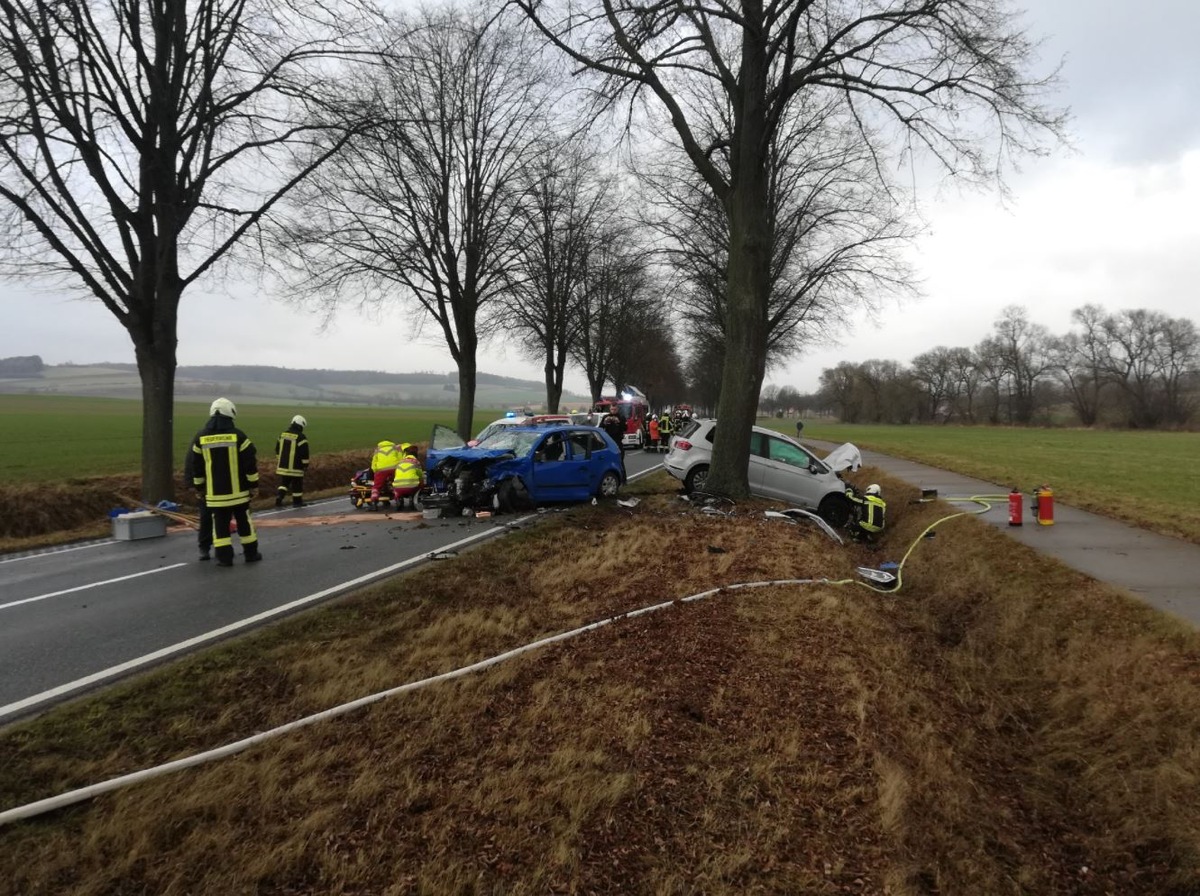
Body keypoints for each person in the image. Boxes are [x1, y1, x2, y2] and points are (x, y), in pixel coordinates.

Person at [186, 397, 262, 566]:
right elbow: (250, 464)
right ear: (231, 413)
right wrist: (253, 485)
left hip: (215, 495)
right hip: (239, 494)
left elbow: (196, 467)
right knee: (244, 523)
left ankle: (224, 558)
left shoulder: (201, 438)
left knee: (219, 527)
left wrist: (199, 488)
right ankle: (251, 554)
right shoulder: (239, 436)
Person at [275, 414, 310, 508]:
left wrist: (279, 460)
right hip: (296, 467)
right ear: (300, 425)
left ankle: (279, 496)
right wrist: (305, 465)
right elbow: (304, 453)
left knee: (284, 483)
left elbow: (277, 449)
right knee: (297, 485)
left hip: (283, 466)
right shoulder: (301, 437)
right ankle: (297, 502)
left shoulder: (282, 435)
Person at [369, 439, 401, 508]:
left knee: (376, 487)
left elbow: (374, 462)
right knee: (396, 484)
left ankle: (374, 502)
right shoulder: (394, 448)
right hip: (394, 468)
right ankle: (398, 499)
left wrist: (375, 472)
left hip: (381, 470)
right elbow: (400, 458)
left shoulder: (378, 450)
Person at [391, 443, 424, 510]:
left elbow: (395, 475)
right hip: (411, 487)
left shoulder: (400, 462)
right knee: (420, 483)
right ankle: (413, 498)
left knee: (395, 487)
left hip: (398, 487)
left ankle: (398, 499)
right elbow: (420, 475)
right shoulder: (416, 462)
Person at [600, 410, 627, 483]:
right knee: (607, 462)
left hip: (618, 441)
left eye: (615, 409)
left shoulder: (621, 417)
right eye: (612, 409)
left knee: (620, 461)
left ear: (617, 408)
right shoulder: (606, 417)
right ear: (610, 409)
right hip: (608, 442)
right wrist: (605, 422)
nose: (613, 411)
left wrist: (618, 422)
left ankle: (624, 480)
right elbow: (601, 427)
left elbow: (625, 428)